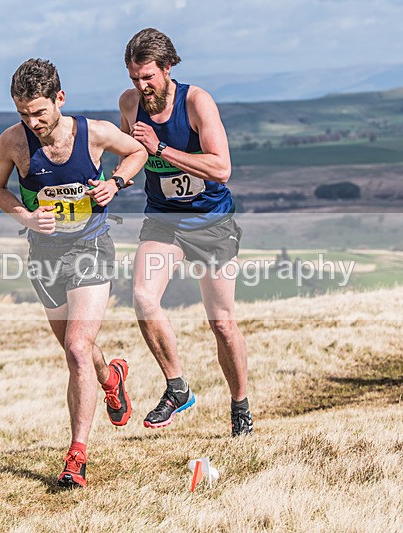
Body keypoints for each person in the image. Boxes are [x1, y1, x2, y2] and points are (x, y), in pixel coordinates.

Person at [0, 58, 147, 488]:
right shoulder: (12, 142)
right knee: (76, 348)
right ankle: (110, 376)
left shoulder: (93, 133)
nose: (33, 122)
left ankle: (76, 455)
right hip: (44, 254)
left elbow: (137, 151)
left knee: (78, 346)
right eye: (24, 114)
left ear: (60, 98)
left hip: (90, 244)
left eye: (40, 112)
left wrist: (115, 182)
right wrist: (25, 216)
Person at [118, 28, 253, 436]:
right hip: (164, 219)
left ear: (167, 68)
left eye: (148, 78)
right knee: (142, 295)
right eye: (134, 78)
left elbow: (221, 168)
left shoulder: (196, 102)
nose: (142, 87)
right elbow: (133, 153)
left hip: (211, 220)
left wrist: (161, 149)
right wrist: (115, 178)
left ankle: (240, 406)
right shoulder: (129, 104)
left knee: (222, 323)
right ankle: (177, 387)